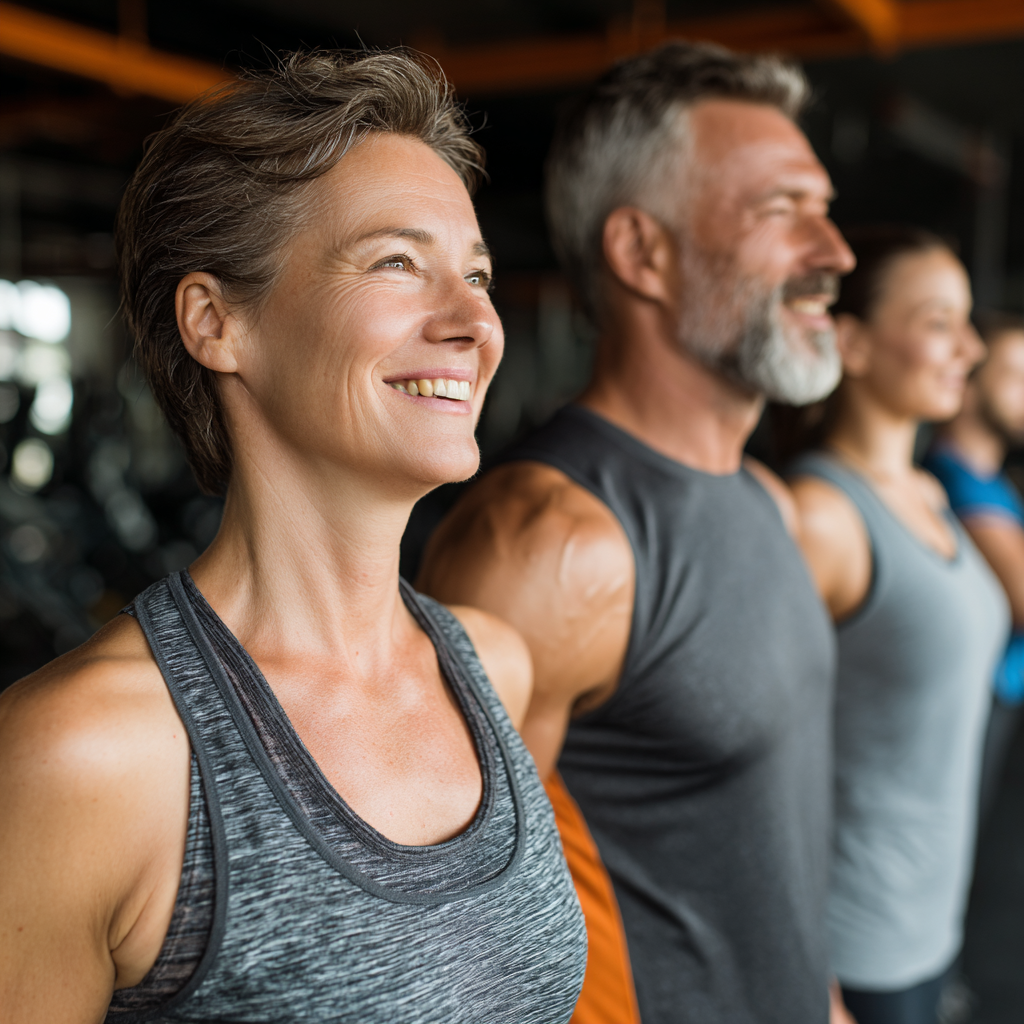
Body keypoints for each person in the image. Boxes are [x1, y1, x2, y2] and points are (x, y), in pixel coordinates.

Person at [0, 51, 587, 1024]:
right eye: (398, 261)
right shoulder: (84, 756)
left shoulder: (495, 669)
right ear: (217, 322)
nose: (475, 320)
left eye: (475, 274)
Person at [418, 41, 855, 1024]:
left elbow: (757, 848)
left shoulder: (765, 500)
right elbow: (461, 950)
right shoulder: (549, 545)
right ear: (641, 253)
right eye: (781, 211)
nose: (833, 252)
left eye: (822, 209)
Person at [788, 226, 1009, 1024]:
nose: (971, 347)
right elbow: (761, 762)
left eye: (966, 322)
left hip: (928, 927)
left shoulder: (930, 491)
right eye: (937, 321)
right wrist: (813, 977)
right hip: (850, 955)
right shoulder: (822, 516)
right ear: (851, 343)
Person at [925, 313, 1024, 824]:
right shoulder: (955, 485)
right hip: (978, 704)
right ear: (968, 382)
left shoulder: (994, 486)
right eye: (1013, 376)